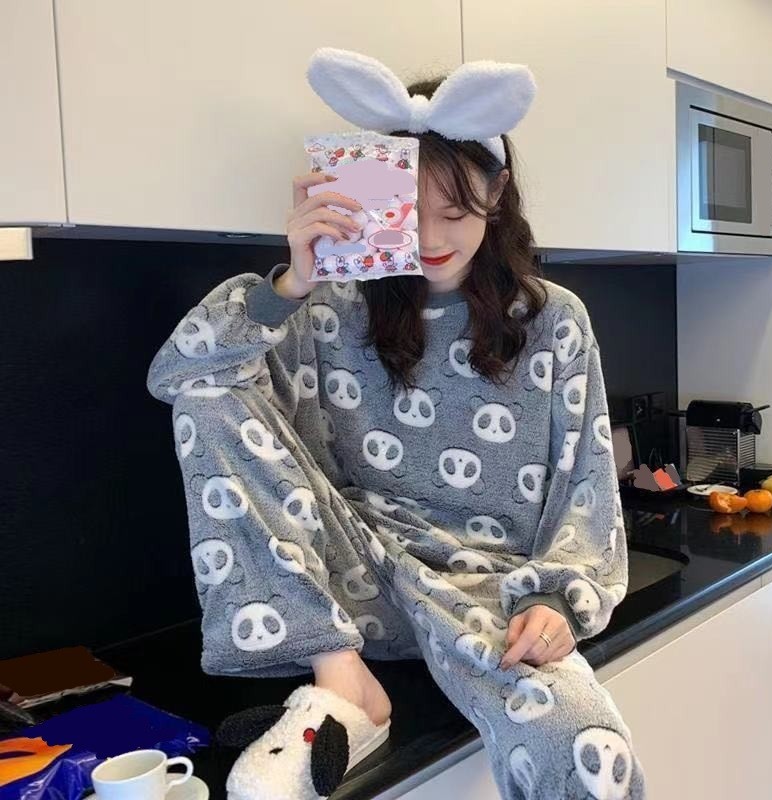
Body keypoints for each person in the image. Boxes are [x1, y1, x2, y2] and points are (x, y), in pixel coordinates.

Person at [146, 48, 647, 800]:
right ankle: (345, 688)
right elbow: (181, 376)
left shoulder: (552, 322)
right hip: (347, 593)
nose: (432, 239)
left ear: (496, 194)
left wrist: (557, 598)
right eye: (409, 214)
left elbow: (587, 487)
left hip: (490, 598)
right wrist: (292, 281)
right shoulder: (328, 307)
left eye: (455, 212)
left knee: (581, 750)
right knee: (210, 396)